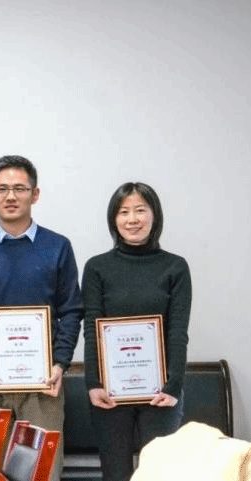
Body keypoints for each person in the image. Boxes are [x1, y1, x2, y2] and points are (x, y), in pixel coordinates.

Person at [0, 155, 82, 481]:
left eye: (19, 189)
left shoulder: (57, 247)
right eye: (2, 189)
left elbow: (71, 310)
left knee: (42, 474)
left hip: (43, 388)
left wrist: (60, 363)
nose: (10, 196)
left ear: (35, 194)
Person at [82, 183, 191, 481]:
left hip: (160, 393)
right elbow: (91, 328)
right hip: (110, 393)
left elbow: (178, 330)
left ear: (154, 215)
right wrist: (93, 383)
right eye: (124, 212)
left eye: (140, 210)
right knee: (115, 474)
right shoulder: (97, 267)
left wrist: (173, 386)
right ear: (113, 219)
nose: (132, 219)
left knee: (158, 473)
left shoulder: (175, 267)